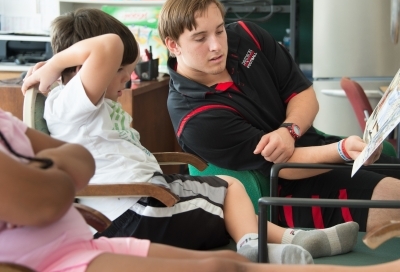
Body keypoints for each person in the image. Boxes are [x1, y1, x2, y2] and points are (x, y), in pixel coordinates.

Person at [21, 8, 359, 264]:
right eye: (121, 71)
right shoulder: (70, 102)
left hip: (147, 196)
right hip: (136, 213)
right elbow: (108, 45)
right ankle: (260, 246)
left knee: (230, 186)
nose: (129, 78)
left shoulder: (89, 104)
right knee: (225, 203)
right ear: (84, 68)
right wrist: (55, 63)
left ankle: (284, 239)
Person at [4, 109, 400, 272]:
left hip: (80, 242)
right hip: (58, 257)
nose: (216, 45)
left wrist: (51, 170)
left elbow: (79, 162)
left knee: (225, 264)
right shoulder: (194, 113)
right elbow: (51, 195)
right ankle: (267, 238)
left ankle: (269, 241)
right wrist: (58, 169)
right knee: (220, 256)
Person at [157, 0, 400, 234]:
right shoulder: (194, 117)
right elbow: (283, 167)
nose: (217, 46)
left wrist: (289, 131)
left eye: (219, 30)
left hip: (318, 148)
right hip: (287, 193)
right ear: (173, 45)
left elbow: (303, 95)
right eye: (200, 38)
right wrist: (343, 150)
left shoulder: (246, 35)